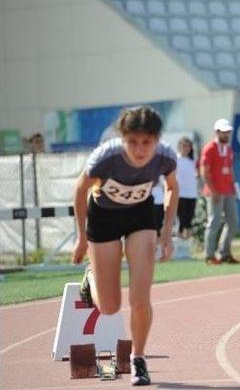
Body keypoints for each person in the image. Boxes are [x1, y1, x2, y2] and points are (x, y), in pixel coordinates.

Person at [71, 106, 178, 386]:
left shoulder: (165, 156)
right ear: (123, 138)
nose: (140, 150)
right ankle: (92, 274)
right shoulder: (105, 157)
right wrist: (82, 237)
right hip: (103, 217)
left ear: (156, 139)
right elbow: (80, 190)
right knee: (109, 307)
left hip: (139, 216)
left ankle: (138, 359)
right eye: (133, 142)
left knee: (140, 298)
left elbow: (172, 188)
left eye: (147, 142)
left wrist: (166, 233)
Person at [200, 118, 240, 264]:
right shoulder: (209, 148)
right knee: (214, 222)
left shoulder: (229, 150)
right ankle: (209, 255)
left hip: (228, 190)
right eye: (224, 132)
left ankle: (225, 253)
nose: (227, 134)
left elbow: (230, 170)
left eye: (228, 132)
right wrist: (213, 191)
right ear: (217, 132)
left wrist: (234, 188)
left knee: (233, 222)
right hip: (214, 192)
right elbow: (204, 172)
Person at [176, 137, 199, 239]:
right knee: (181, 219)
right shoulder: (175, 159)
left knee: (189, 219)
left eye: (188, 146)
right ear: (180, 147)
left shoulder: (193, 161)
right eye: (184, 146)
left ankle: (187, 243)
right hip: (180, 193)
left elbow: (197, 174)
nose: (186, 148)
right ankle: (180, 240)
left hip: (192, 193)